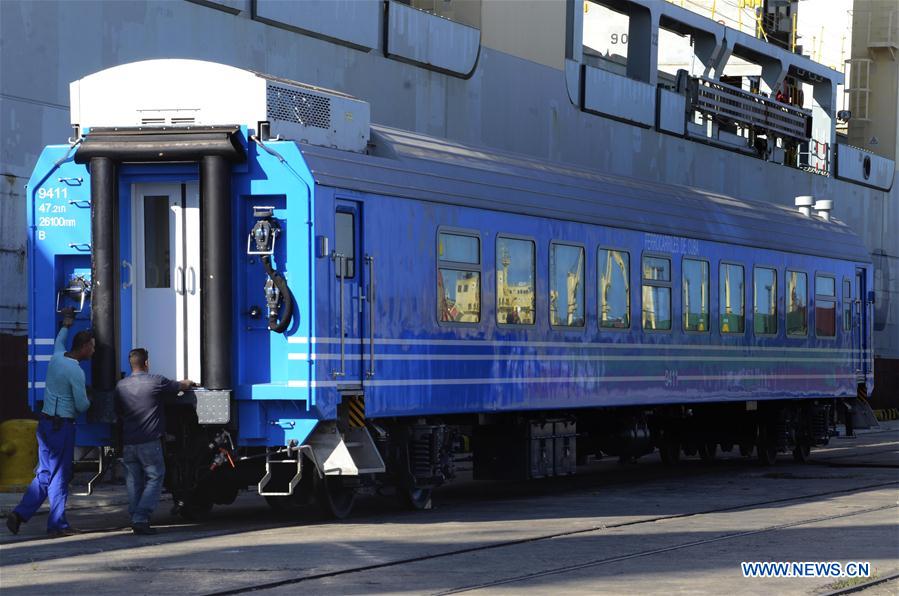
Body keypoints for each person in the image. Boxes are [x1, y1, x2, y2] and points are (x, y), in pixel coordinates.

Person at [6, 308, 94, 538]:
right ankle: (56, 524)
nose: (93, 351)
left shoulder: (57, 357)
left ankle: (25, 515)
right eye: (92, 347)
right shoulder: (76, 372)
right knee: (58, 476)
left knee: (46, 473)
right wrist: (91, 396)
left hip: (44, 425)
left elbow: (59, 340)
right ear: (84, 348)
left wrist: (66, 324)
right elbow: (82, 405)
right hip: (62, 427)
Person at [114, 348, 195, 535]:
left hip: (129, 442)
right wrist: (189, 382)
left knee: (133, 481)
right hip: (149, 441)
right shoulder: (155, 382)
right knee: (155, 477)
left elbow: (118, 412)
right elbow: (179, 386)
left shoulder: (121, 386)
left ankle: (135, 516)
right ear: (147, 363)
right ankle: (141, 518)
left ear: (131, 364)